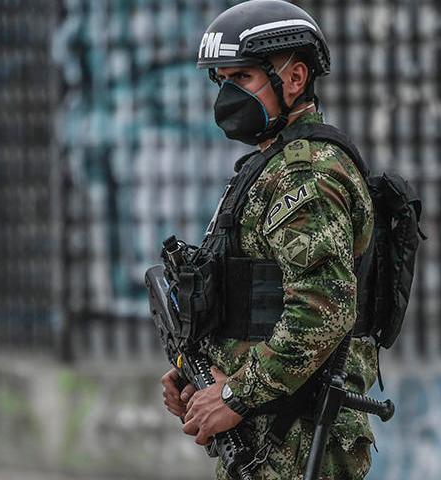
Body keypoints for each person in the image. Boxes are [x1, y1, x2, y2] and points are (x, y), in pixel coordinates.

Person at [160, 1, 378, 478]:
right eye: (223, 81)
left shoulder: (308, 172)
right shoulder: (270, 166)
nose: (228, 96)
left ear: (294, 78)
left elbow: (322, 309)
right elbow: (257, 300)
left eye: (243, 78)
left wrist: (236, 395)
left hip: (299, 439)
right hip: (267, 434)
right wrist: (194, 373)